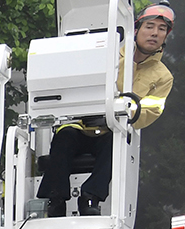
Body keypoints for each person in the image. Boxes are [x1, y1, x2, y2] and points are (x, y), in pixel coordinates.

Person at [37, 3, 174, 216]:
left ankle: (90, 198)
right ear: (136, 29)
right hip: (81, 123)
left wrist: (124, 112)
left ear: (166, 36)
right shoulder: (106, 54)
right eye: (149, 26)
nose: (155, 33)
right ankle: (55, 200)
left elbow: (150, 112)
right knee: (64, 137)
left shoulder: (163, 76)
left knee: (115, 144)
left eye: (161, 29)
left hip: (114, 128)